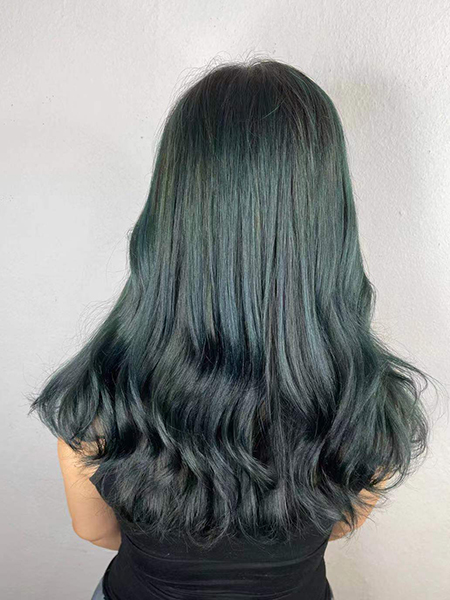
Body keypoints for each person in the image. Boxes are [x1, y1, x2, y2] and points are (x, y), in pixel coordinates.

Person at [28, 57, 435, 600]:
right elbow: (339, 526)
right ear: (327, 221)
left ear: (172, 215)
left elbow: (95, 531)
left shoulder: (102, 394)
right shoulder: (369, 404)